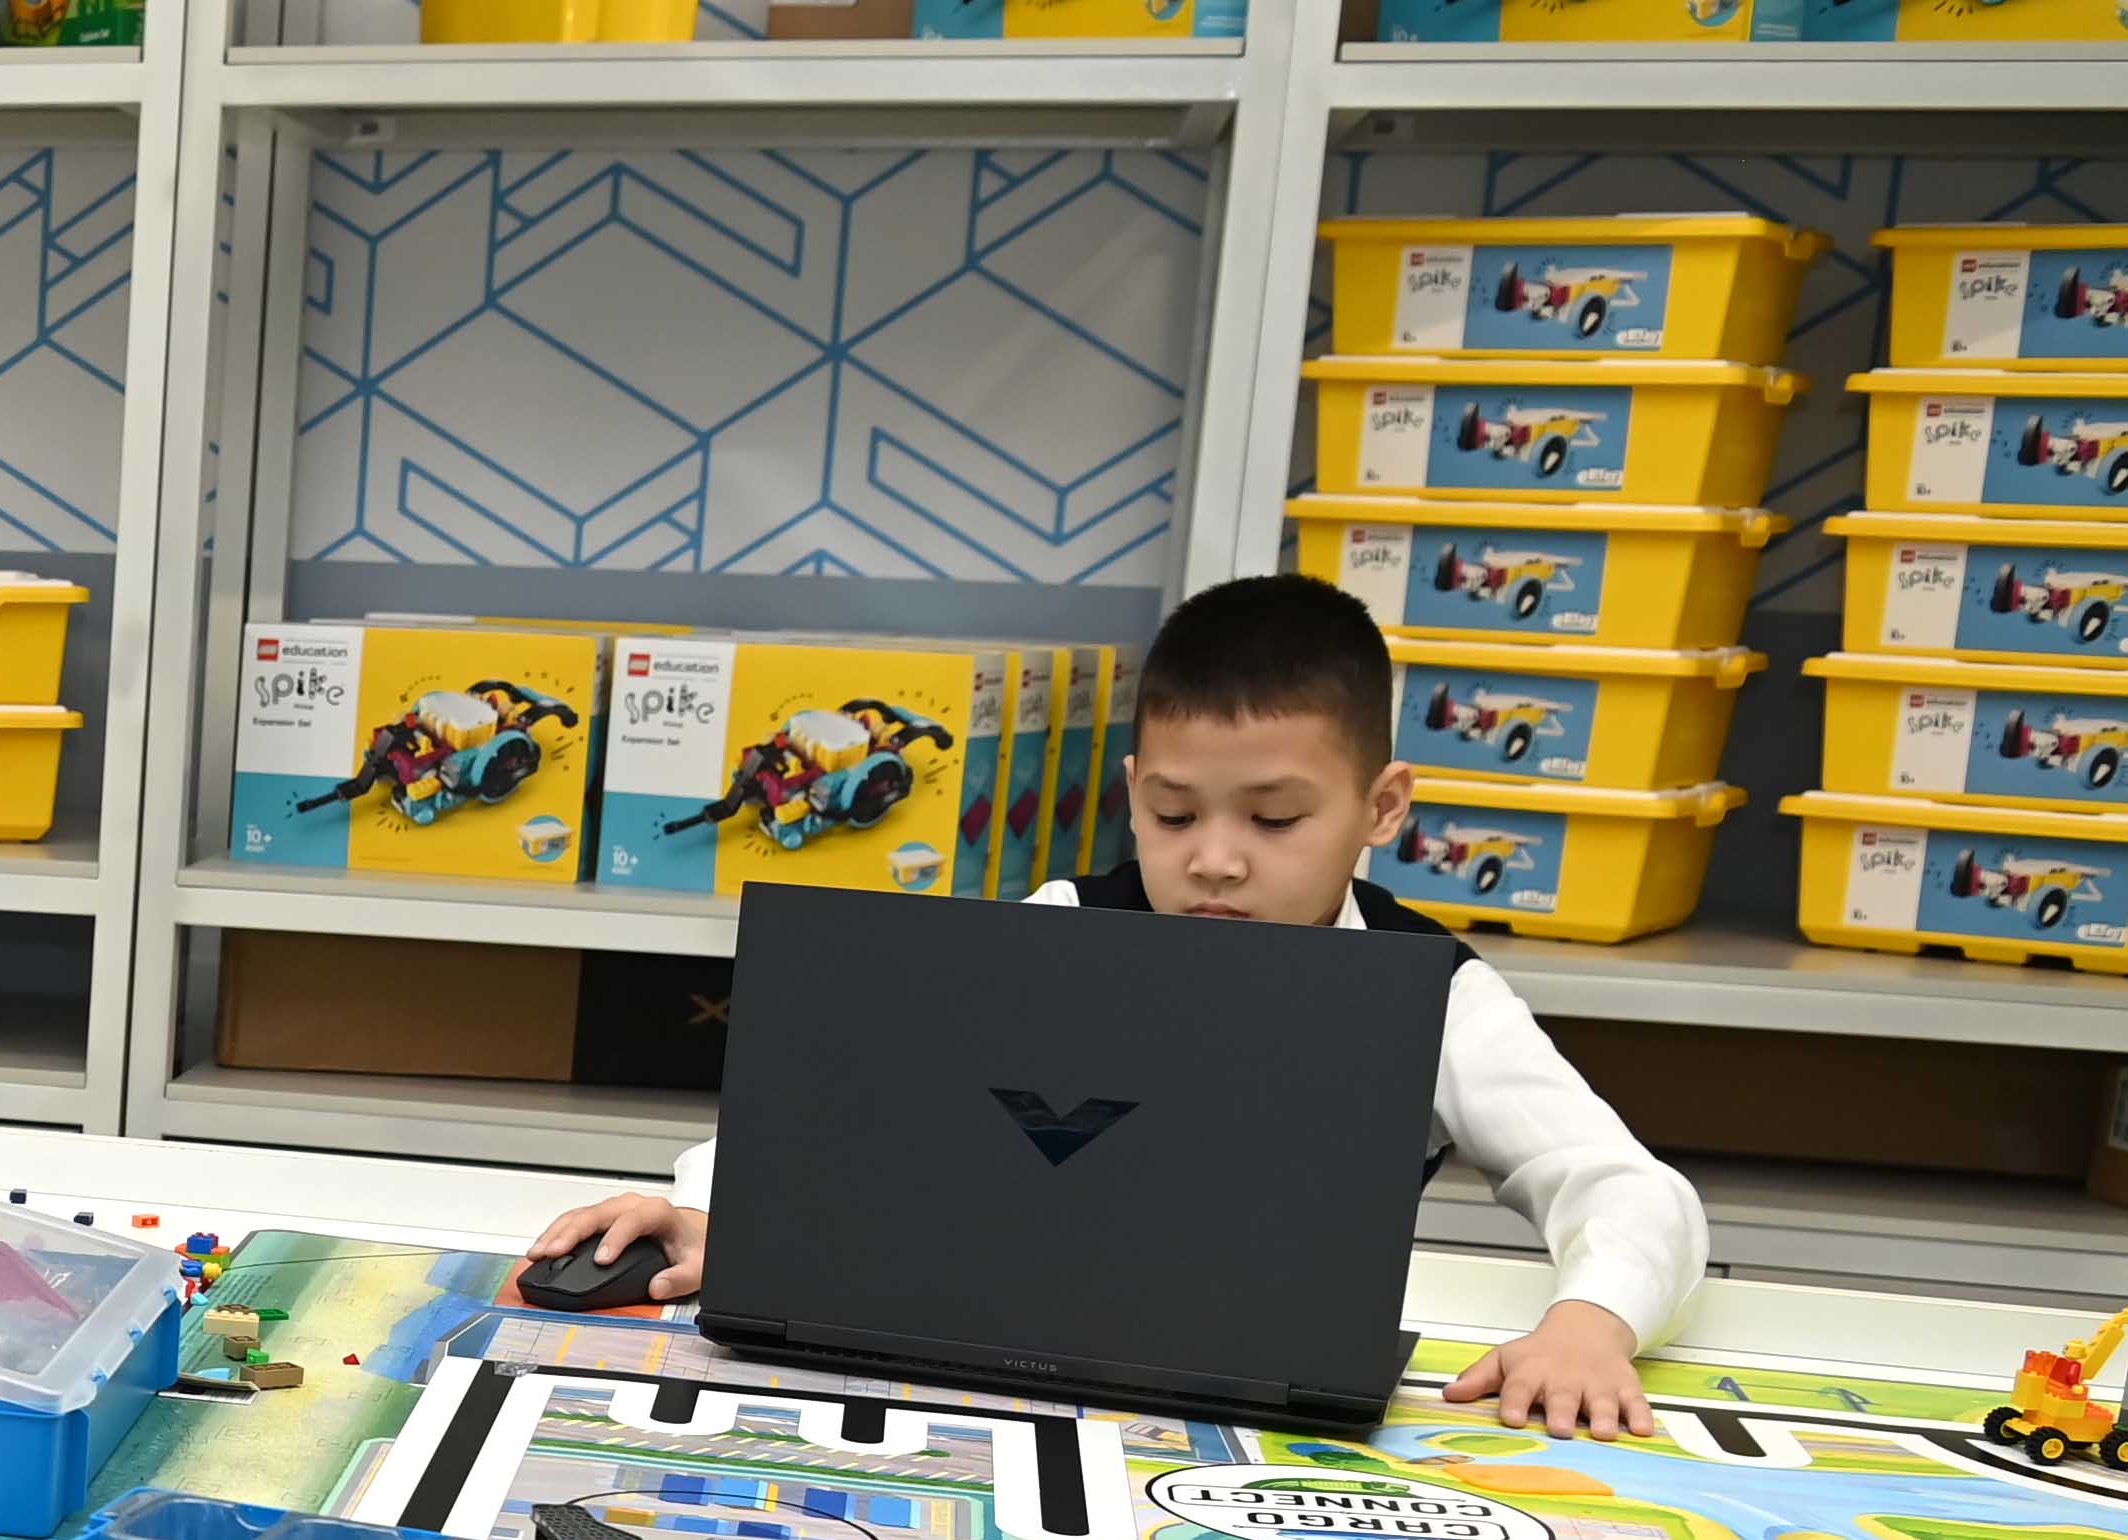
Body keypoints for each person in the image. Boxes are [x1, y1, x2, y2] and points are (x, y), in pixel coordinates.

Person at [524, 572, 1703, 1440]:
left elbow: (1628, 1187)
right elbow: (865, 1100)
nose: (1215, 860)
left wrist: (1588, 1322)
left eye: (1275, 820)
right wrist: (709, 1207)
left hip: (1268, 1414)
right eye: (1174, 815)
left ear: (1383, 807)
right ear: (1132, 792)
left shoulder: (1436, 991)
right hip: (1005, 1376)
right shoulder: (1064, 924)